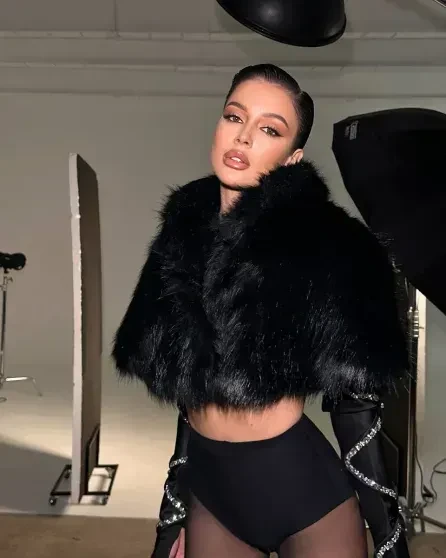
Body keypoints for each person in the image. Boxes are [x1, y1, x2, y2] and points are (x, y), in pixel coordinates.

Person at [112, 64, 411, 557]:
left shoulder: (331, 246)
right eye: (234, 117)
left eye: (270, 129)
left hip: (307, 499)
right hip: (214, 499)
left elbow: (357, 411)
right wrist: (174, 516)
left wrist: (389, 541)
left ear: (292, 158)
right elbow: (189, 394)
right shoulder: (181, 239)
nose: (244, 137)